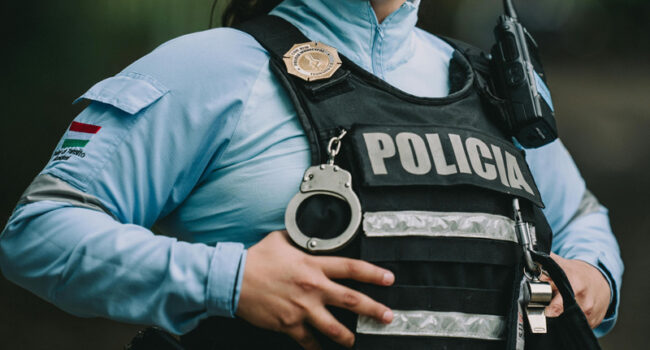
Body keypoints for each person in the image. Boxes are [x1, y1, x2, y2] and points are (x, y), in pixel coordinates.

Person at [0, 0, 622, 349]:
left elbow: (579, 219)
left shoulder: (494, 86)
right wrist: (230, 279)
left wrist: (594, 274)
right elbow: (38, 232)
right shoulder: (209, 68)